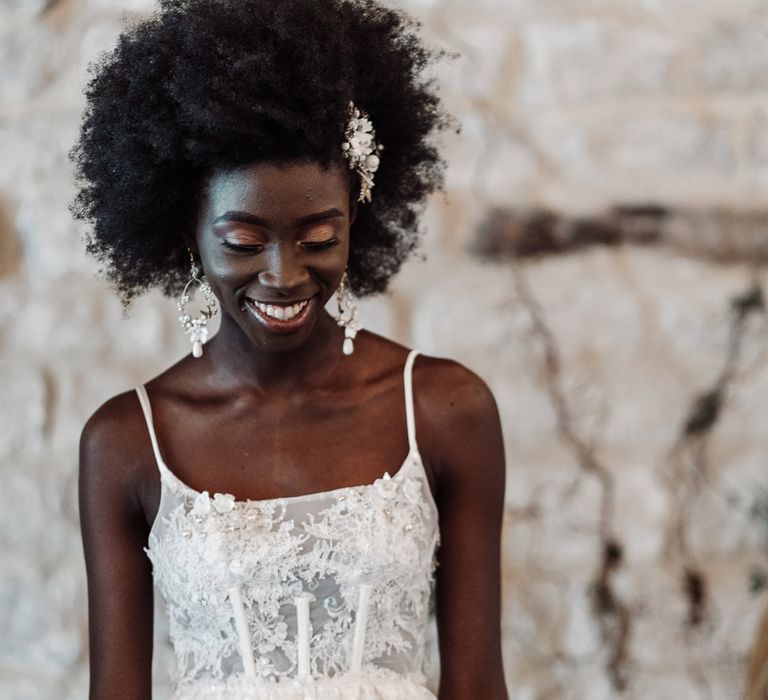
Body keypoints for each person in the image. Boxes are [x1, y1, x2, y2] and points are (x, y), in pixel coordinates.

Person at [73, 0, 507, 698]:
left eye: (318, 237)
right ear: (187, 230)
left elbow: (480, 686)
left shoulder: (446, 408)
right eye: (244, 242)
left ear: (357, 220)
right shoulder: (126, 441)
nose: (283, 275)